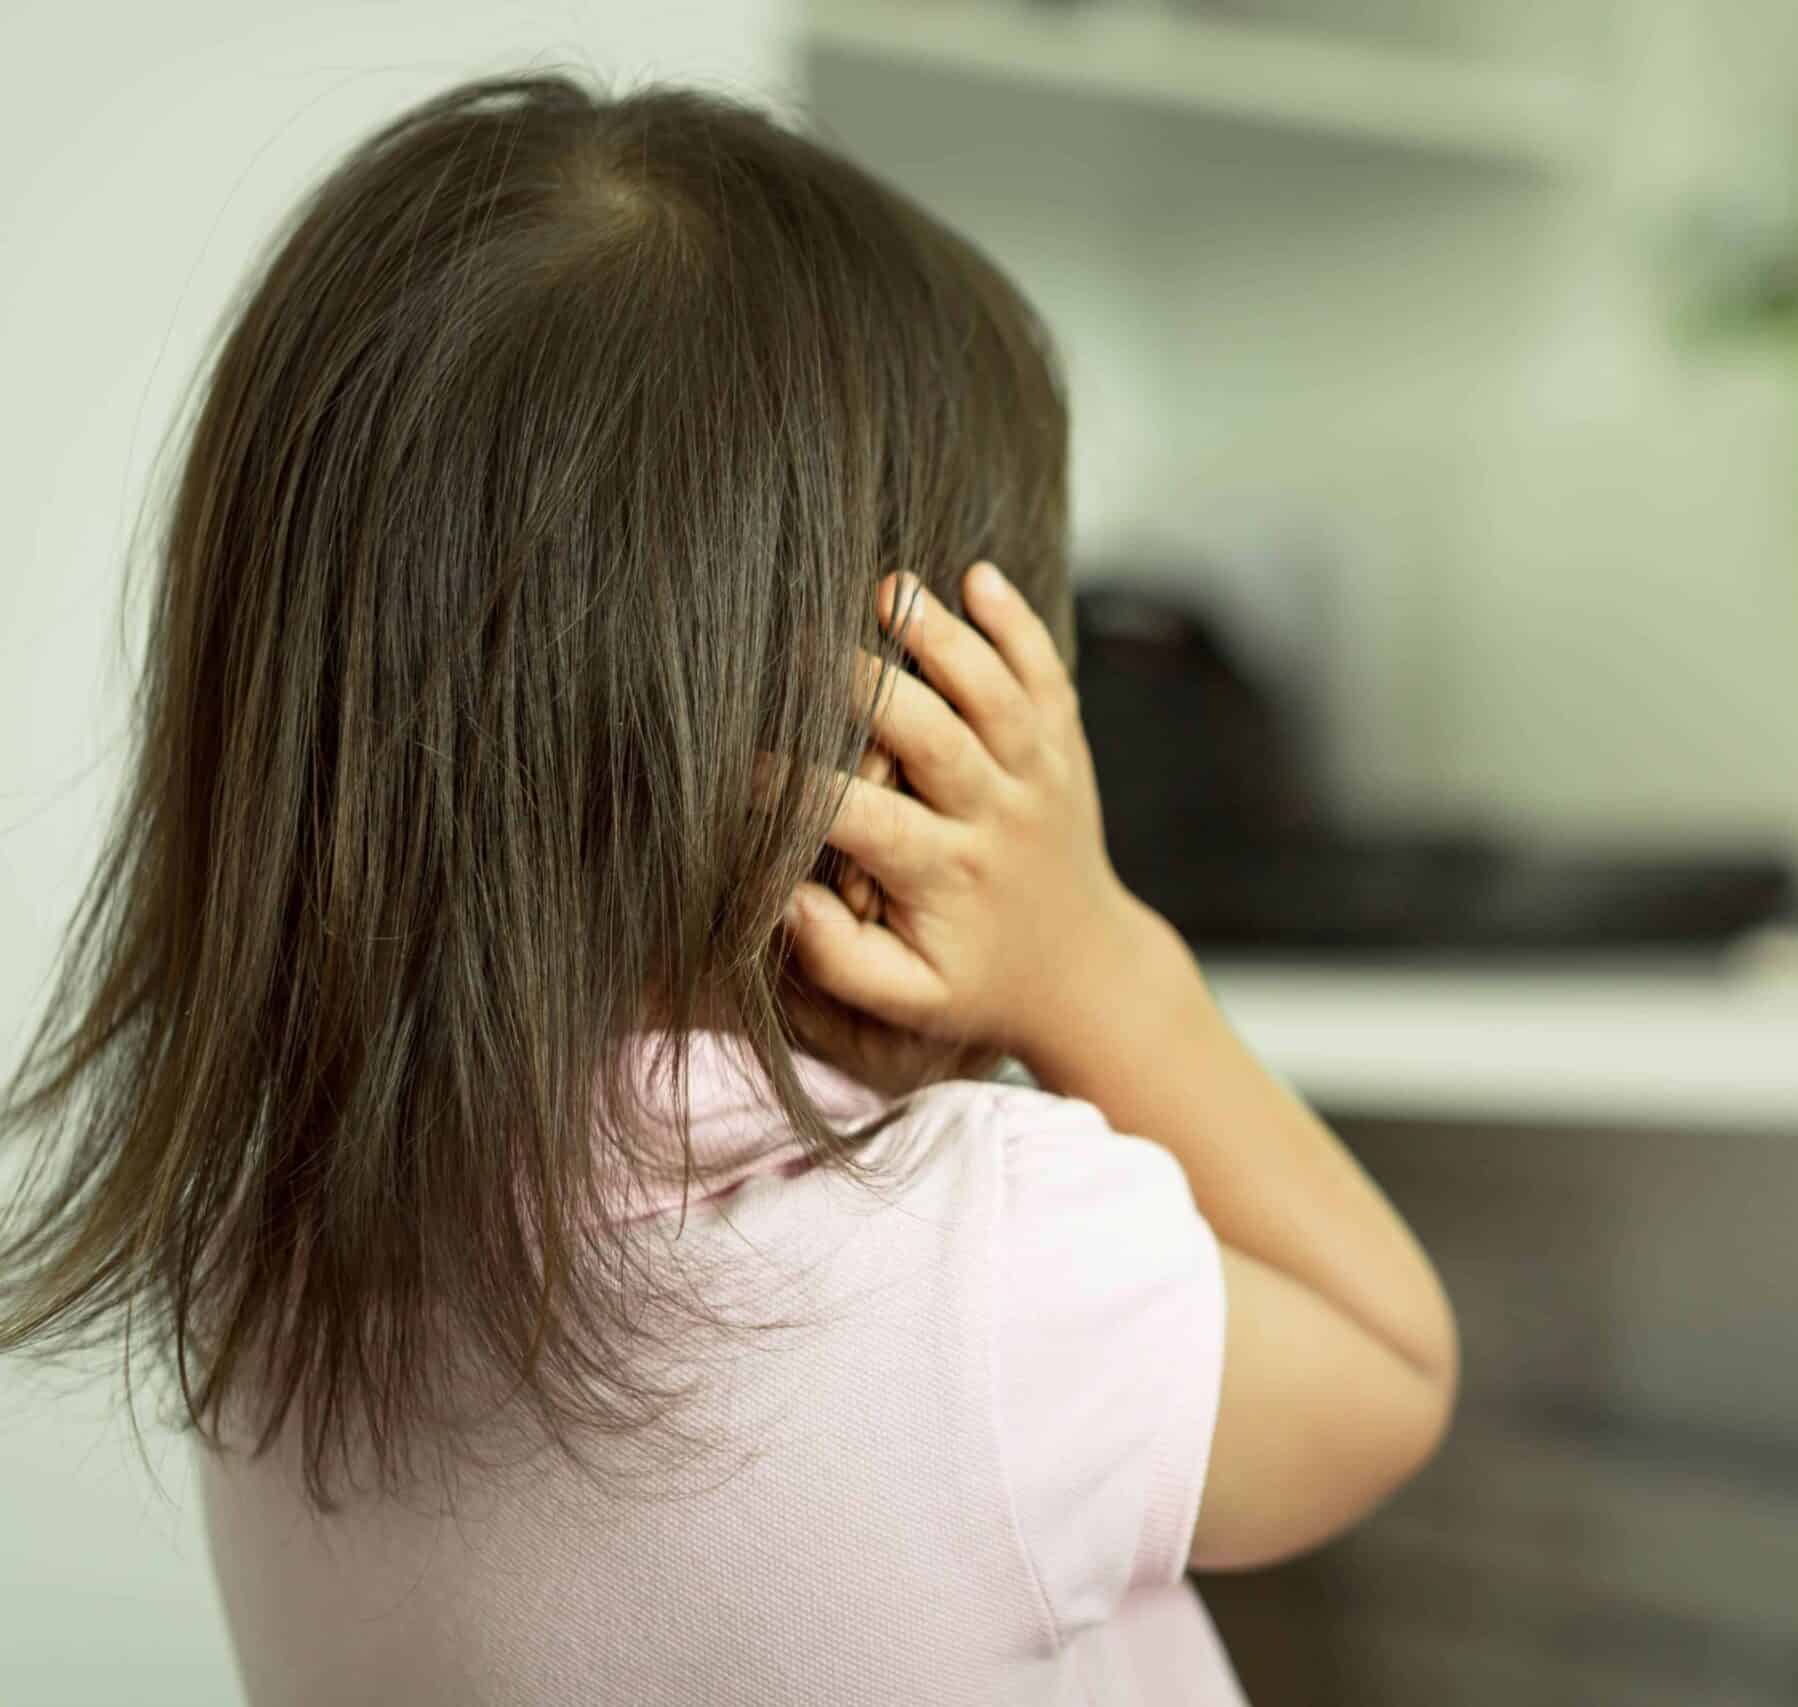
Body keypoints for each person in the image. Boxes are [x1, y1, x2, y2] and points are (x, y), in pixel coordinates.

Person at [0, 74, 1457, 1706]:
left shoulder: (267, 1265)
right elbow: (1388, 1368)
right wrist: (1095, 962)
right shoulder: (981, 1278)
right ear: (911, 755)